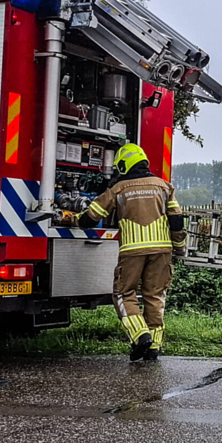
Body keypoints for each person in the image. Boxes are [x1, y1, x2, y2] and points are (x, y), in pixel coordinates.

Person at [75, 143, 186, 361]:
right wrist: (179, 247)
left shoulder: (118, 189)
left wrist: (74, 219)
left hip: (133, 250)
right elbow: (176, 221)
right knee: (155, 295)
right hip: (162, 250)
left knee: (123, 293)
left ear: (124, 166)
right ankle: (154, 347)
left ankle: (140, 335)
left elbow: (91, 218)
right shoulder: (165, 187)